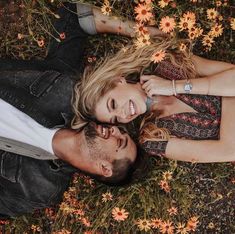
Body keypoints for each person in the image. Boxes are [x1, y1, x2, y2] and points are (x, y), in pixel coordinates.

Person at [0, 1, 161, 217]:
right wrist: (147, 33)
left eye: (120, 141)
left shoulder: (42, 189)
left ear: (105, 168)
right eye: (120, 129)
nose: (115, 129)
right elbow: (73, 15)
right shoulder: (67, 91)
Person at [72, 37, 235, 163]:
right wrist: (223, 88)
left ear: (117, 81)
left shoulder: (165, 64)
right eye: (115, 119)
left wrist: (174, 86)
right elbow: (229, 151)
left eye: (113, 104)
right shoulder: (153, 138)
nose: (122, 115)